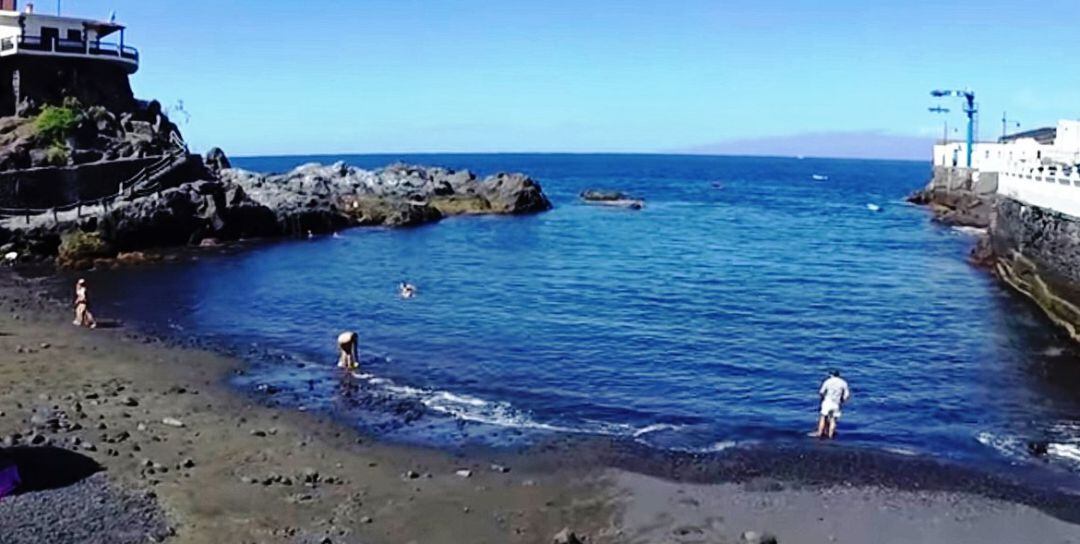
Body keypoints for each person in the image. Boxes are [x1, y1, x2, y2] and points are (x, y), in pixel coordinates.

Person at [816, 369, 850, 439]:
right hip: (836, 403)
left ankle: (820, 433)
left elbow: (821, 392)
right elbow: (846, 395)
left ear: (831, 375)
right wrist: (842, 401)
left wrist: (822, 398)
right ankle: (830, 436)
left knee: (823, 417)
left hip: (827, 401)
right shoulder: (843, 383)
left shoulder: (828, 381)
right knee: (833, 419)